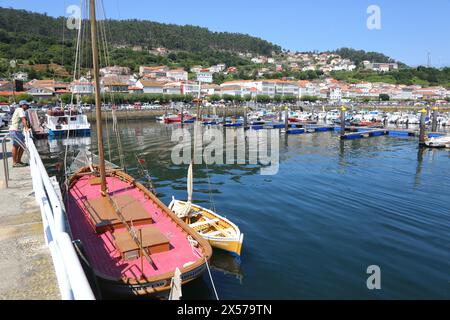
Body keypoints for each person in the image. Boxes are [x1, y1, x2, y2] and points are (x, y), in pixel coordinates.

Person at [9, 100, 30, 167]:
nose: (27, 106)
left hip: (17, 131)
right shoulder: (21, 110)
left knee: (22, 146)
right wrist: (26, 128)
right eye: (26, 105)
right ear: (23, 105)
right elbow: (23, 119)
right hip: (15, 130)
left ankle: (18, 161)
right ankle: (15, 163)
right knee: (15, 146)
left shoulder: (18, 109)